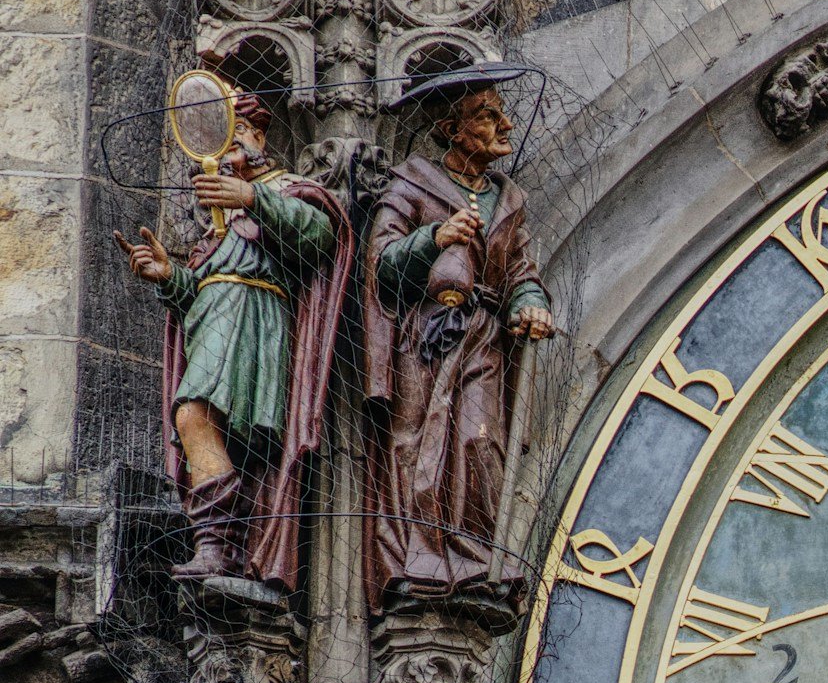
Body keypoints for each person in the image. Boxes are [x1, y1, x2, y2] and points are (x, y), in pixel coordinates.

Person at [115, 85, 352, 590]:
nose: (227, 150)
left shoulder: (286, 190)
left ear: (259, 135)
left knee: (193, 415)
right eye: (219, 141)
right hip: (215, 322)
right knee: (199, 423)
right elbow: (204, 289)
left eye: (236, 134)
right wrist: (169, 277)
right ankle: (218, 546)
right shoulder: (218, 222)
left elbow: (321, 237)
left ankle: (216, 544)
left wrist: (252, 197)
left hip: (255, 323)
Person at [364, 63, 557, 612]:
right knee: (416, 444)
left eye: (501, 113)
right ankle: (415, 560)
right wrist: (432, 238)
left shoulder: (506, 197)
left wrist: (531, 305)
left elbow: (519, 270)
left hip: (482, 338)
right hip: (424, 336)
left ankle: (473, 560)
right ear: (451, 130)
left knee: (478, 441)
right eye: (487, 116)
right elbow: (379, 264)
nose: (506, 126)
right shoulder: (413, 183)